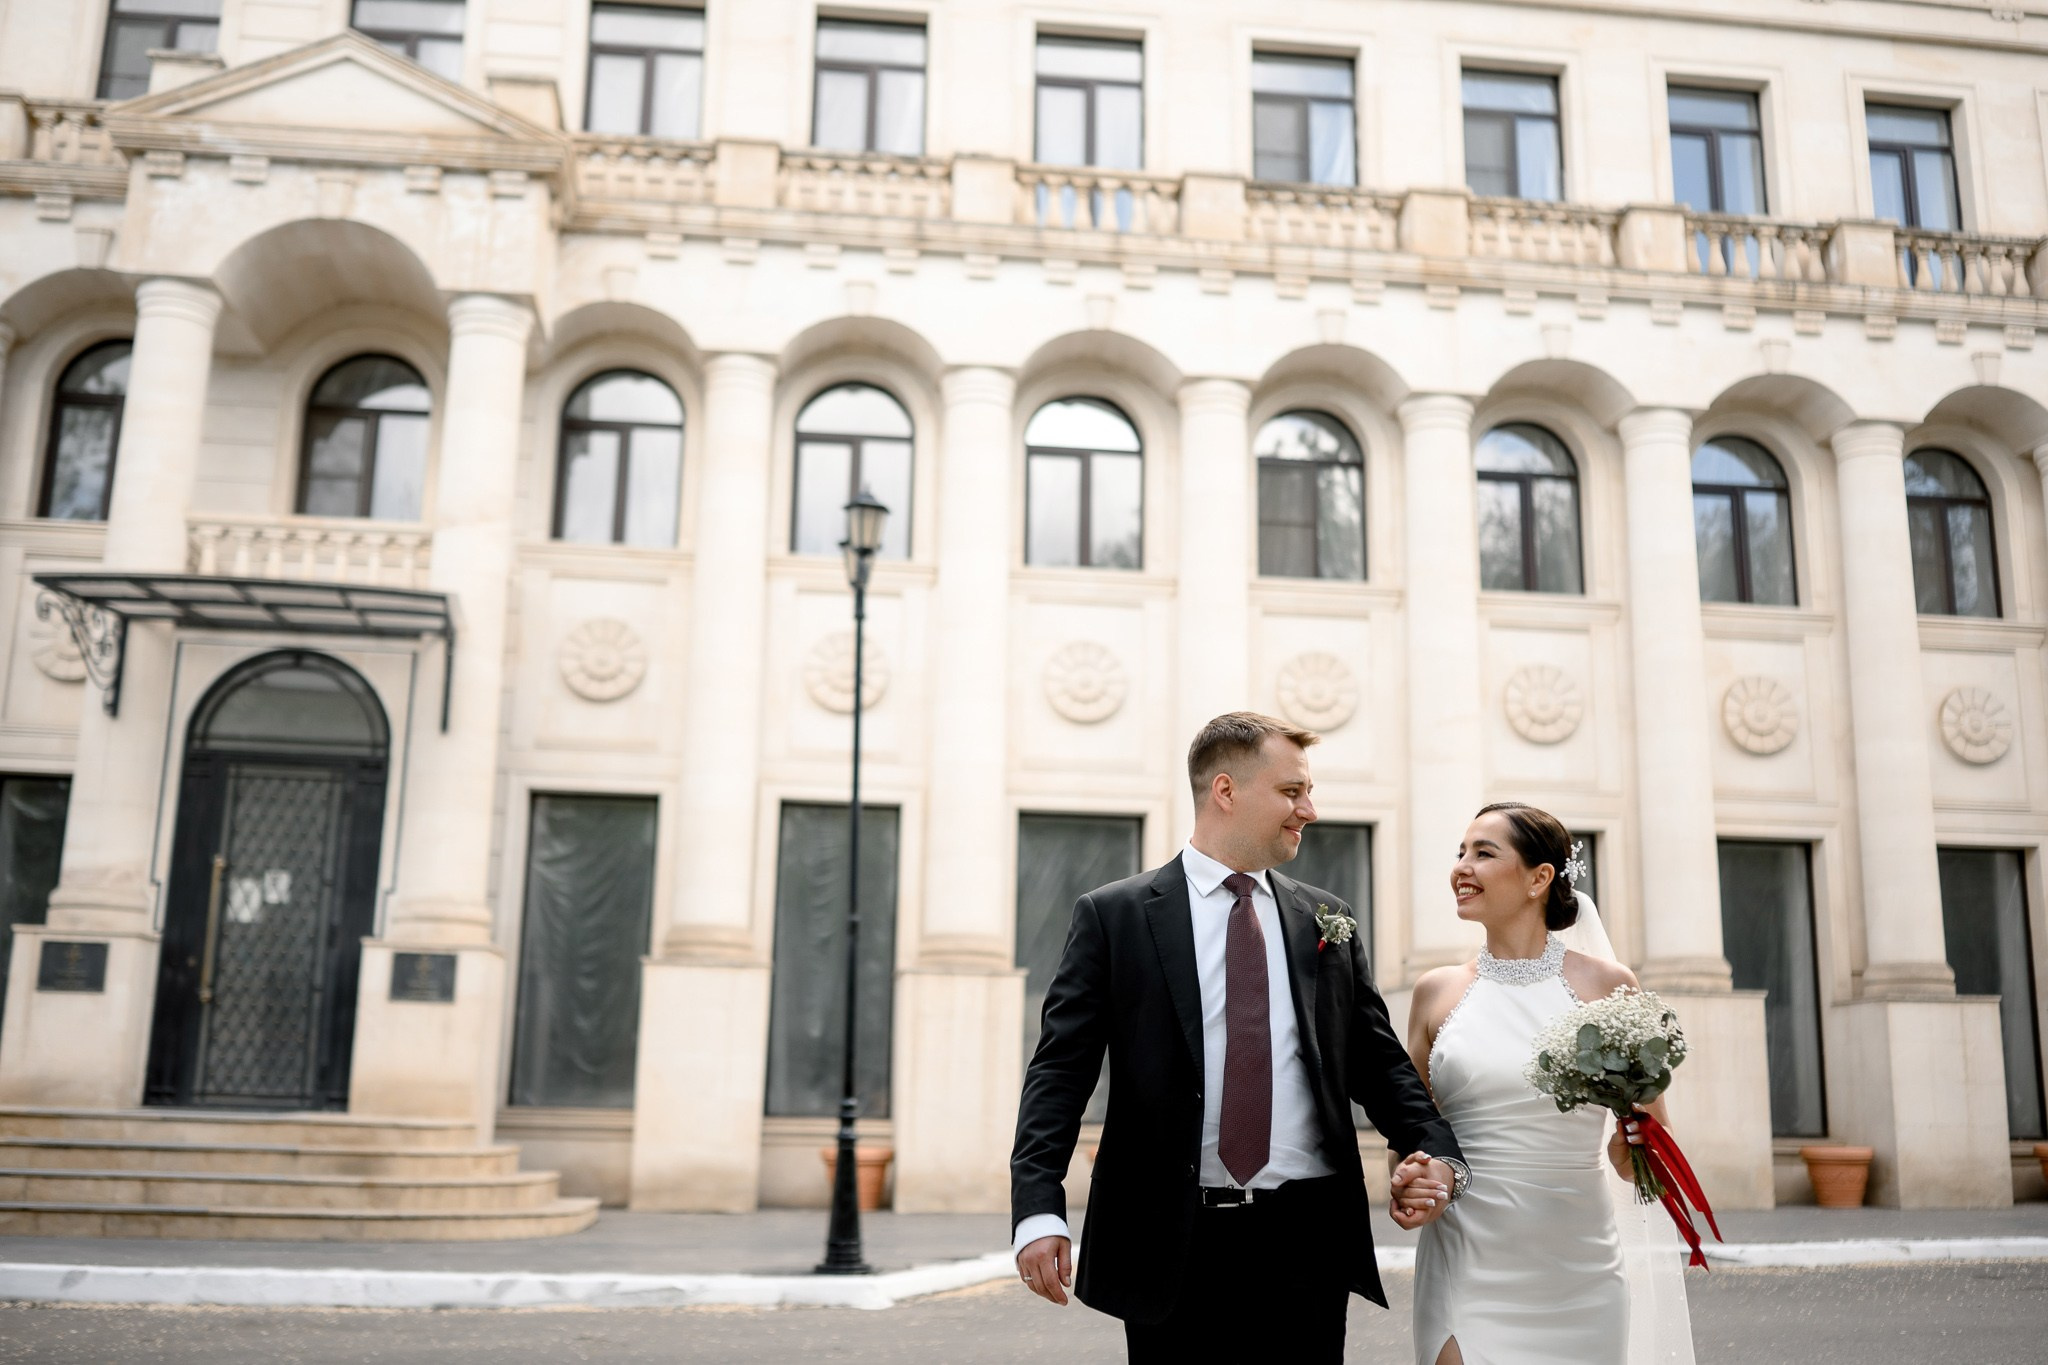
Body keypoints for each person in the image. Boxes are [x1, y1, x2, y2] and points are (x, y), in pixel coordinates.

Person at [1010, 711, 1469, 1363]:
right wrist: (1038, 1208)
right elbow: (1059, 1074)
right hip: (1170, 1240)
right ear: (1225, 790)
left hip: (1306, 1238)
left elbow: (1379, 1063)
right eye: (1292, 790)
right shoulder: (1113, 917)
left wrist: (1436, 1152)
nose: (1308, 809)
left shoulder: (1328, 918)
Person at [1403, 801, 1696, 1365]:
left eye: (1483, 853)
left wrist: (1631, 1149)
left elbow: (1652, 1161)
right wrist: (1418, 1182)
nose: (1461, 866)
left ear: (1540, 878)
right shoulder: (1435, 993)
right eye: (1460, 852)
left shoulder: (1609, 986)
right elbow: (1411, 1136)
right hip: (1465, 1257)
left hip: (1579, 1267)